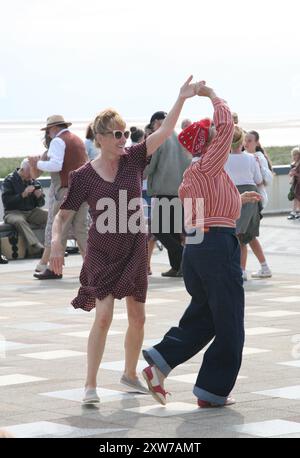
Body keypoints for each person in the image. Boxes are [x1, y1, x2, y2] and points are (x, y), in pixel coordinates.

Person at [49, 76, 201, 404]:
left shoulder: (134, 158)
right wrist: (57, 244)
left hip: (133, 248)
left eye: (126, 133)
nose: (124, 139)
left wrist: (181, 98)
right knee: (103, 316)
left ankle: (130, 373)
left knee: (138, 316)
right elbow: (62, 217)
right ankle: (90, 385)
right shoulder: (83, 177)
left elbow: (163, 132)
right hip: (102, 252)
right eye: (117, 134)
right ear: (101, 138)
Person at [142, 82, 261, 409]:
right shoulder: (208, 164)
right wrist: (211, 96)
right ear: (209, 143)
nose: (224, 139)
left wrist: (239, 198)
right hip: (215, 248)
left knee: (207, 317)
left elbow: (200, 217)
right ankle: (213, 391)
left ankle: (160, 362)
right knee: (231, 323)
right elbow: (224, 126)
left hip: (198, 250)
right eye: (216, 137)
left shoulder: (195, 174)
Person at [28, 115, 89, 280]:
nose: (48, 134)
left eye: (48, 130)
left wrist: (36, 164)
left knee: (59, 228)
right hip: (83, 190)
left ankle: (55, 269)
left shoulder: (58, 141)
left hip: (66, 190)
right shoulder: (77, 140)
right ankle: (92, 267)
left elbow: (56, 165)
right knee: (81, 230)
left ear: (53, 128)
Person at [144, 111, 191, 277]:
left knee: (159, 229)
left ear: (156, 122)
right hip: (180, 191)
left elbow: (150, 166)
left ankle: (185, 259)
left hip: (164, 191)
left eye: (152, 126)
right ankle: (177, 267)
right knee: (173, 231)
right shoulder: (180, 138)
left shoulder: (159, 138)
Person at [225, 127, 265, 281]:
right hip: (251, 195)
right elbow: (259, 180)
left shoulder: (224, 159)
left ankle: (237, 269)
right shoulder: (251, 158)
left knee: (232, 234)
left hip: (232, 195)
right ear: (242, 141)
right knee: (246, 236)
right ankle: (243, 270)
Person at [1, 159, 47, 257]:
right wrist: (23, 194)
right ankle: (37, 247)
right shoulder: (9, 180)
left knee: (51, 216)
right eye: (30, 174)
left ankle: (54, 246)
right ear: (22, 170)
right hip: (12, 212)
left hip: (31, 211)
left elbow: (41, 203)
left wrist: (39, 197)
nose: (31, 177)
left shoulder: (33, 180)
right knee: (19, 220)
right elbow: (7, 202)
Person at [243, 130, 273, 279]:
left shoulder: (257, 157)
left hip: (255, 200)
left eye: (249, 140)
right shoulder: (248, 157)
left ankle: (242, 270)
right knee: (249, 236)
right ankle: (264, 267)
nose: (246, 143)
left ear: (256, 143)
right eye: (245, 140)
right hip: (252, 199)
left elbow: (262, 180)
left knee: (245, 236)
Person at [287, 147, 300, 220]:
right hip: (295, 184)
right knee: (296, 197)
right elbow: (291, 173)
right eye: (293, 155)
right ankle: (295, 212)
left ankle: (294, 212)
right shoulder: (294, 164)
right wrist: (291, 174)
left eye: (296, 154)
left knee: (296, 197)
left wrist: (295, 174)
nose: (294, 156)